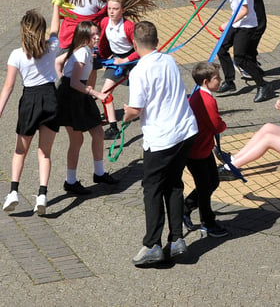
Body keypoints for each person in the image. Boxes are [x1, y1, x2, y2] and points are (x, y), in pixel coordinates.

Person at [123, 21, 198, 267]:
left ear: (134, 43)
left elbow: (135, 109)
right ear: (157, 41)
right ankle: (176, 239)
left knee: (152, 188)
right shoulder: (168, 60)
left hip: (161, 138)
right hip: (185, 131)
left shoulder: (138, 71)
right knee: (174, 184)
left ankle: (152, 244)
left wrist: (125, 114)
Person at [0, 8, 60, 216]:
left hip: (30, 101)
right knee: (44, 152)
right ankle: (42, 195)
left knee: (20, 151)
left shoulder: (16, 54)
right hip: (51, 99)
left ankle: (14, 192)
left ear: (23, 32)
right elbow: (55, 30)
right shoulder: (52, 46)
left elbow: (8, 86)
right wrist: (56, 7)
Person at [56, 21, 118, 195]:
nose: (97, 37)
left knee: (98, 133)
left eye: (97, 33)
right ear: (84, 37)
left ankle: (99, 173)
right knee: (77, 140)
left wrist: (62, 79)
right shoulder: (83, 53)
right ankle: (70, 181)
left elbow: (57, 62)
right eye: (93, 35)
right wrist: (96, 93)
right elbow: (75, 82)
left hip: (78, 94)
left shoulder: (82, 50)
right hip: (73, 97)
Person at [98, 0, 165, 139]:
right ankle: (113, 127)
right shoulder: (104, 22)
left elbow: (139, 48)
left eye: (115, 9)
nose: (111, 12)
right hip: (117, 60)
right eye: (109, 8)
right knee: (105, 92)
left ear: (123, 10)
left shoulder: (128, 26)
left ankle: (154, 114)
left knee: (145, 89)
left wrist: (126, 60)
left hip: (133, 58)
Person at [183, 62, 228, 237]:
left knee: (212, 182)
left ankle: (186, 207)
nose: (220, 80)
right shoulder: (206, 99)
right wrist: (222, 125)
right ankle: (208, 223)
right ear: (205, 81)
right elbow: (216, 124)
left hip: (202, 148)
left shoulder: (199, 95)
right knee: (204, 186)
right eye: (216, 78)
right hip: (197, 150)